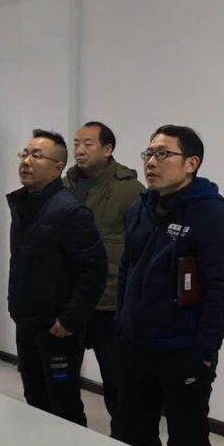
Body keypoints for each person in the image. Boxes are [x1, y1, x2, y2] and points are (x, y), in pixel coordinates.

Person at [113, 125, 224, 446]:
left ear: (191, 163)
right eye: (149, 154)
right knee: (130, 436)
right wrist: (122, 322)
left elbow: (222, 289)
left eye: (163, 154)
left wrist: (202, 351)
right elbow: (127, 267)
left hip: (181, 351)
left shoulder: (211, 216)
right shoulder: (142, 207)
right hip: (135, 345)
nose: (151, 162)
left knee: (187, 444)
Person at [6, 130, 108, 425]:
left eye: (36, 156)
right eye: (24, 154)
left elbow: (94, 271)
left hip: (57, 328)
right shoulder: (23, 204)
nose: (26, 161)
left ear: (57, 167)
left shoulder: (70, 211)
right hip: (27, 321)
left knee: (63, 404)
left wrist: (69, 319)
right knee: (35, 398)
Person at [65, 121, 143, 424]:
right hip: (71, 298)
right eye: (76, 143)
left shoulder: (129, 190)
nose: (79, 150)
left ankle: (125, 437)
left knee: (117, 380)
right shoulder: (67, 185)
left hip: (109, 301)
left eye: (88, 144)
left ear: (107, 149)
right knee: (63, 378)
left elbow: (141, 247)